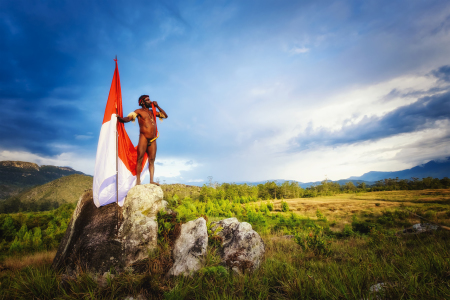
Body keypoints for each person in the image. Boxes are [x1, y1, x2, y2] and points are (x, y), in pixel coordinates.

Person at [117, 95, 168, 185]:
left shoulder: (153, 112)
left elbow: (165, 116)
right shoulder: (138, 111)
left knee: (152, 160)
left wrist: (157, 106)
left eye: (149, 99)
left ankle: (151, 180)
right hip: (143, 137)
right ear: (142, 102)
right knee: (139, 159)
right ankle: (138, 181)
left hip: (153, 139)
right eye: (148, 100)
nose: (150, 101)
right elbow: (128, 118)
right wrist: (120, 118)